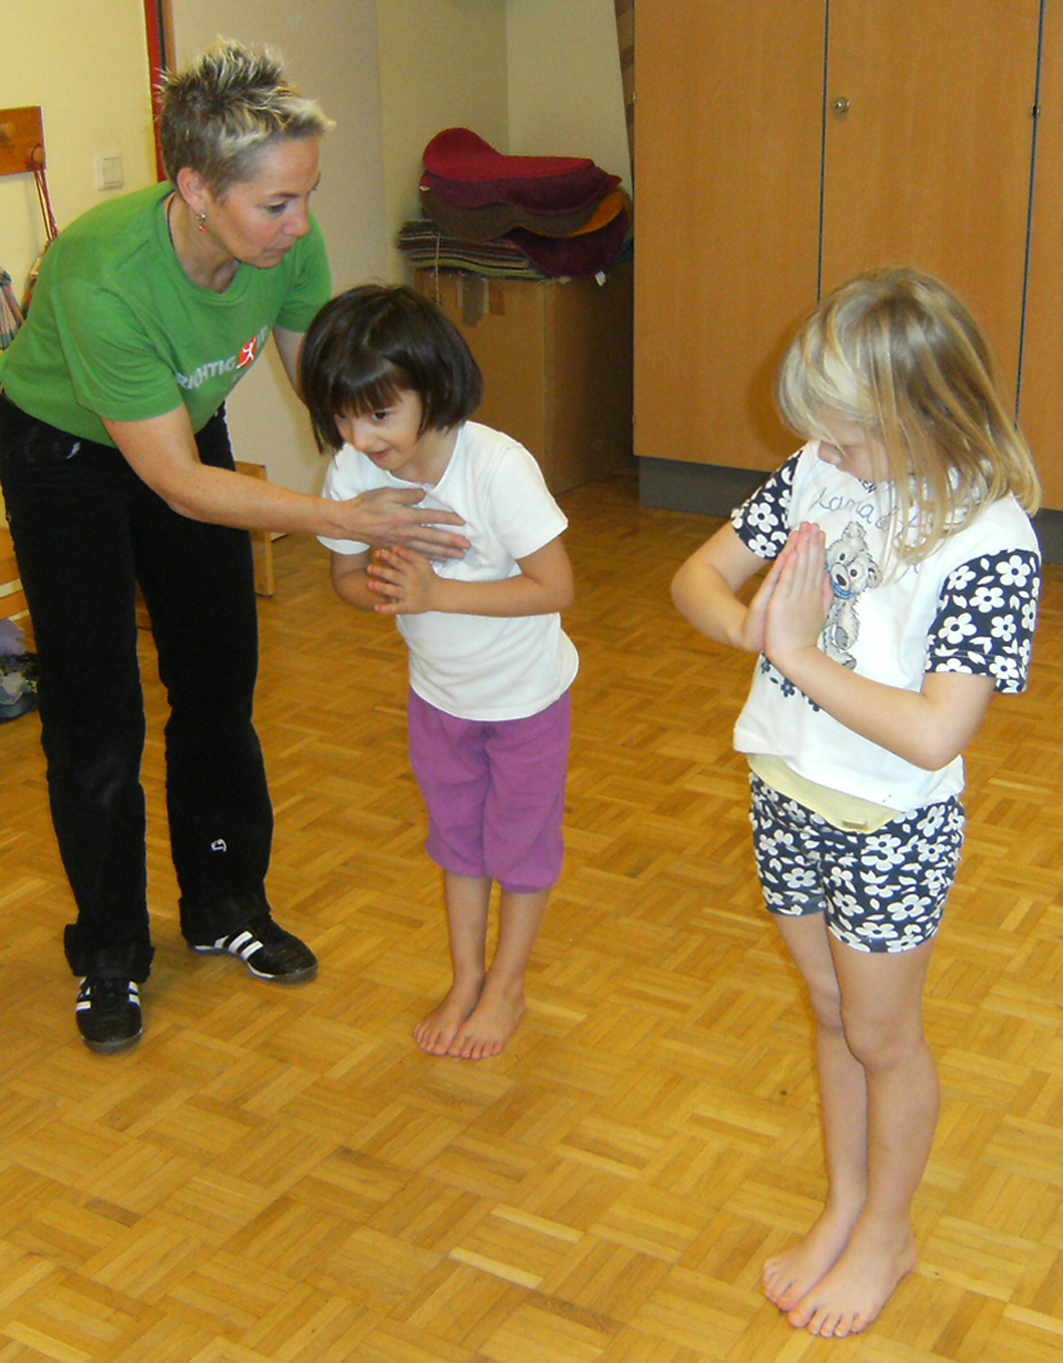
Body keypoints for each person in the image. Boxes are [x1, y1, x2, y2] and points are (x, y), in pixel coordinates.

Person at [0, 43, 468, 1055]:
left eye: (307, 196)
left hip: (182, 430)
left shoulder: (283, 242)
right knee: (97, 715)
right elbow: (175, 483)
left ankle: (224, 904)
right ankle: (110, 950)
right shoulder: (103, 277)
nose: (300, 225)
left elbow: (326, 388)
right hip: (63, 455)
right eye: (276, 205)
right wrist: (348, 523)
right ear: (197, 191)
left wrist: (414, 466)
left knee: (217, 680)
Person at [671, 268, 1041, 1338]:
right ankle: (844, 1204)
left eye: (843, 438)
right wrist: (746, 628)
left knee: (883, 1036)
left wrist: (793, 651)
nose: (823, 457)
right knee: (830, 1011)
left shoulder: (992, 542)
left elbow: (934, 731)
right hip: (783, 785)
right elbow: (697, 577)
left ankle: (887, 1230)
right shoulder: (817, 472)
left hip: (889, 822)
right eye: (819, 438)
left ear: (919, 413)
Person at [301, 284, 578, 1060]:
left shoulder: (496, 467)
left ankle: (506, 985)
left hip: (526, 700)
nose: (359, 436)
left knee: (519, 846)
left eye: (378, 414)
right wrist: (385, 589)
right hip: (438, 698)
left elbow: (555, 587)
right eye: (342, 417)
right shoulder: (353, 472)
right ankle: (466, 979)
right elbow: (345, 578)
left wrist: (435, 592)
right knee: (456, 841)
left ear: (436, 386)